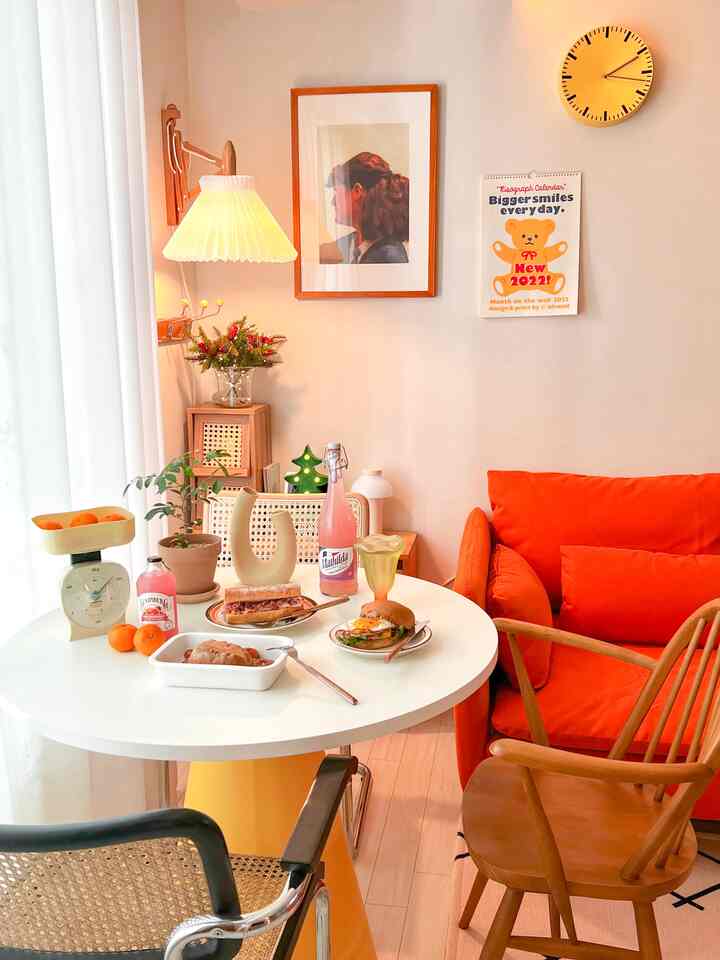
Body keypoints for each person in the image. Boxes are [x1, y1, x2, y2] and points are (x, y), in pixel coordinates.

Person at [320, 151, 409, 264]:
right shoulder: (349, 243)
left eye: (336, 191)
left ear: (357, 191)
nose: (333, 202)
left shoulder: (389, 256)